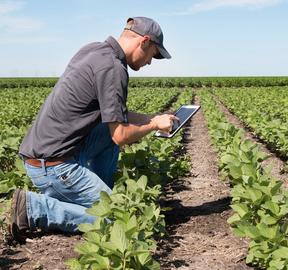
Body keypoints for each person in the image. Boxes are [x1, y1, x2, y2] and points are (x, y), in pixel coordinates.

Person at [8, 17, 178, 243]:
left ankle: (94, 195)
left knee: (107, 133)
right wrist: (155, 125)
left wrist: (153, 117)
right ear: (144, 41)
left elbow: (117, 119)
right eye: (153, 54)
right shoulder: (114, 69)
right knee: (119, 219)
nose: (150, 62)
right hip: (53, 167)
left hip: (46, 154)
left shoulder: (94, 51)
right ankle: (35, 208)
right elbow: (120, 135)